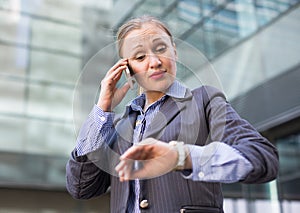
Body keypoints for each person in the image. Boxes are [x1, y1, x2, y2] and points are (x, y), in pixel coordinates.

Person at [66, 15, 279, 213]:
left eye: (161, 49)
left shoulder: (204, 101)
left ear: (174, 52)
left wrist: (183, 157)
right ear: (127, 69)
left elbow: (262, 157)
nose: (155, 62)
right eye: (140, 56)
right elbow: (81, 187)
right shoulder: (120, 127)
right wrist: (102, 109)